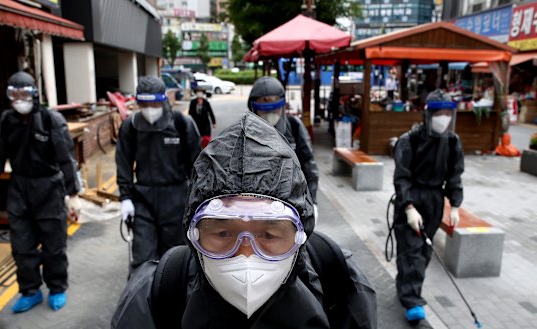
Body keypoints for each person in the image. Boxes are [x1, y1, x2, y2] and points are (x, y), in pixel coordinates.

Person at [111, 112, 376, 328]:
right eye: (224, 233)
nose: (246, 256)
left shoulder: (337, 278)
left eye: (269, 235)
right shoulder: (158, 293)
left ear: (300, 235)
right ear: (193, 235)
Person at [0, 71, 82, 313]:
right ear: (9, 97)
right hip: (20, 189)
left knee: (54, 246)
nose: (20, 100)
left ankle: (56, 288)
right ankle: (30, 291)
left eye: (24, 94)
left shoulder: (51, 120)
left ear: (34, 94)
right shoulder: (7, 121)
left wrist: (73, 195)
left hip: (49, 188)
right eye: (15, 95)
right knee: (22, 246)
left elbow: (66, 159)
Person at [392, 89, 464, 322]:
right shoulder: (409, 140)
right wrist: (409, 207)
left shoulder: (452, 142)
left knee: (424, 250)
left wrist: (455, 204)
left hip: (435, 200)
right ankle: (413, 301)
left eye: (447, 113)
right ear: (428, 114)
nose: (443, 118)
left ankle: (406, 284)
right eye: (438, 113)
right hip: (412, 198)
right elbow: (401, 177)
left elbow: (455, 174)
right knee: (411, 251)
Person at [116, 76, 201, 269]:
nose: (149, 108)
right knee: (143, 257)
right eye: (144, 103)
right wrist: (125, 198)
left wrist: (198, 199)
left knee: (175, 257)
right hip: (143, 199)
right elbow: (123, 162)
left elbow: (197, 165)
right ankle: (142, 297)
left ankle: (174, 297)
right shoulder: (131, 127)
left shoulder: (181, 123)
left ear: (163, 100)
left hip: (176, 197)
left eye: (154, 103)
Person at [247, 77, 319, 210]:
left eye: (274, 103)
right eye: (264, 102)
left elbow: (309, 164)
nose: (270, 111)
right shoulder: (245, 131)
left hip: (292, 203)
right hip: (257, 204)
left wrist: (312, 201)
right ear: (253, 105)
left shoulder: (294, 126)